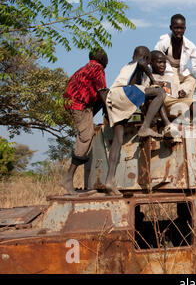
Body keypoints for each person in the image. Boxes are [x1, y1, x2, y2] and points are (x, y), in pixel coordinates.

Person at [104, 46, 171, 195]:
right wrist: (154, 80)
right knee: (160, 93)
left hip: (113, 98)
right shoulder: (137, 63)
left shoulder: (128, 70)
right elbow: (141, 63)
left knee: (117, 140)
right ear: (147, 58)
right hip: (123, 92)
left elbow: (142, 96)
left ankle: (110, 180)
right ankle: (145, 127)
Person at [60, 48, 109, 195]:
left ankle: (69, 177)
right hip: (79, 106)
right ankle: (68, 178)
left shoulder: (84, 68)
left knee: (87, 134)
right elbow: (102, 92)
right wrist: (112, 112)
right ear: (102, 58)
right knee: (86, 136)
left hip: (77, 104)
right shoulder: (97, 67)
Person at [154, 14, 196, 99]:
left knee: (193, 80)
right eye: (176, 28)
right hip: (167, 70)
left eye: (181, 28)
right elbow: (155, 57)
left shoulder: (190, 45)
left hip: (181, 71)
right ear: (171, 28)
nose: (179, 31)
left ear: (185, 29)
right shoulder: (164, 41)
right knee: (173, 83)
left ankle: (182, 92)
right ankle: (177, 96)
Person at [150, 50, 194, 121]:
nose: (163, 65)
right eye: (160, 62)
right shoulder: (150, 77)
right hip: (159, 104)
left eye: (164, 63)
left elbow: (174, 95)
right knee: (155, 89)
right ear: (151, 63)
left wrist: (180, 94)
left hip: (172, 104)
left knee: (194, 103)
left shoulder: (169, 78)